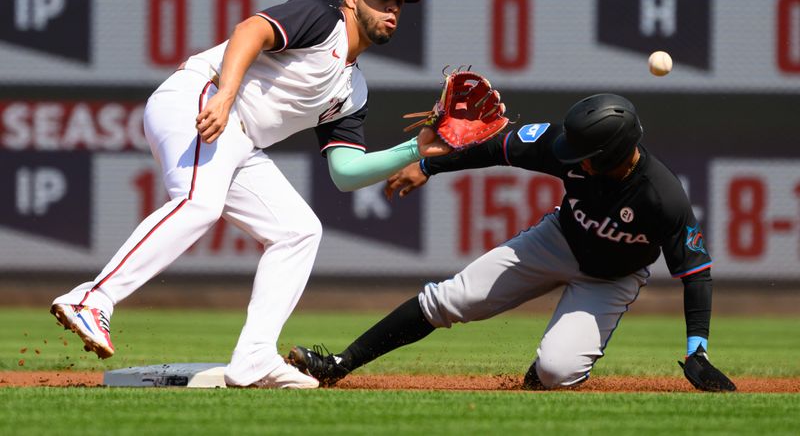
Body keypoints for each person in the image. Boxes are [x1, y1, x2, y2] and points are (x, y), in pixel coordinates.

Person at [50, 0, 451, 389]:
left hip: (239, 141)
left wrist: (415, 148)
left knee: (299, 231)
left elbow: (346, 172)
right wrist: (224, 95)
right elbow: (251, 30)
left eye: (399, 1)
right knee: (200, 204)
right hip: (199, 98)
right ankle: (92, 298)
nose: (391, 8)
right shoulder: (322, 20)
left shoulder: (354, 90)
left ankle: (254, 357)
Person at [288, 93, 723, 390]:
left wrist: (697, 351)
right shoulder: (561, 144)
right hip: (557, 240)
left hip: (611, 278)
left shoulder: (662, 197)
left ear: (612, 155)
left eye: (584, 154)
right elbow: (495, 148)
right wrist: (428, 165)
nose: (570, 155)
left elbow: (696, 272)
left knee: (557, 371)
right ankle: (340, 365)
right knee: (449, 300)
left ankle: (540, 375)